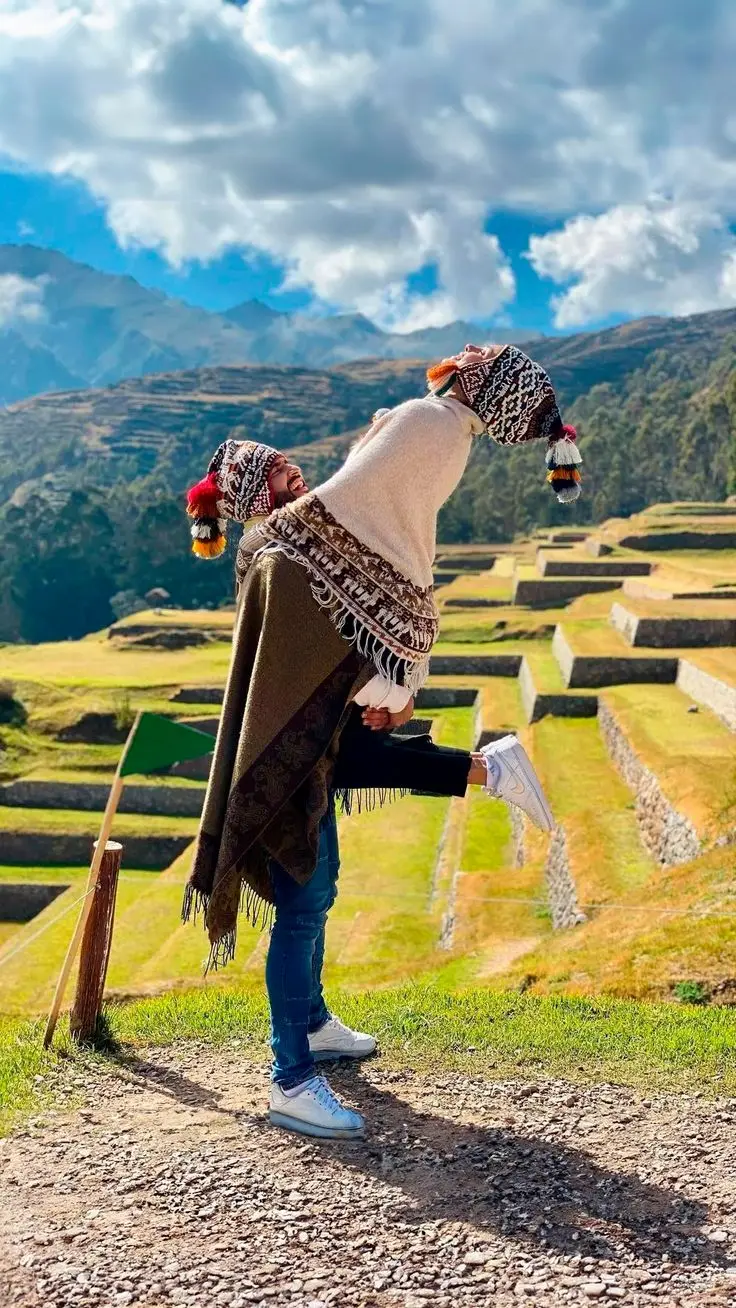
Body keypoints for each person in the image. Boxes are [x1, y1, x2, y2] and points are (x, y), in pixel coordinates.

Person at [183, 344, 580, 1138]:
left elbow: (386, 540)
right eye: (285, 478)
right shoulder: (425, 429)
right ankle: (289, 1076)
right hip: (314, 678)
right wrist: (399, 666)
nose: (461, 351)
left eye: (479, 355)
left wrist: (393, 668)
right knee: (302, 892)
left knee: (315, 882)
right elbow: (391, 548)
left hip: (321, 675)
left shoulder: (425, 424)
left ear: (481, 384)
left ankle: (314, 1027)